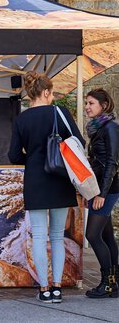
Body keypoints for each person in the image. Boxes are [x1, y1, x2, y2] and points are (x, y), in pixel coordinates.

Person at [8, 71, 84, 303]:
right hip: (60, 179)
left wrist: (32, 159)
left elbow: (13, 156)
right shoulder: (60, 113)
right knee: (58, 236)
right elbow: (78, 143)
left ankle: (43, 288)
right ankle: (58, 287)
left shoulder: (22, 119)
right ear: (46, 92)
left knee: (39, 236)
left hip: (35, 181)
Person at [84, 88, 119, 299]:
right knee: (107, 236)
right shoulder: (98, 128)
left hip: (107, 189)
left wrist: (101, 195)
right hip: (98, 188)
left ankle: (107, 284)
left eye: (91, 103)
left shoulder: (111, 128)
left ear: (104, 105)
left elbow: (112, 163)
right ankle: (115, 282)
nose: (87, 107)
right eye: (86, 103)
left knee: (92, 235)